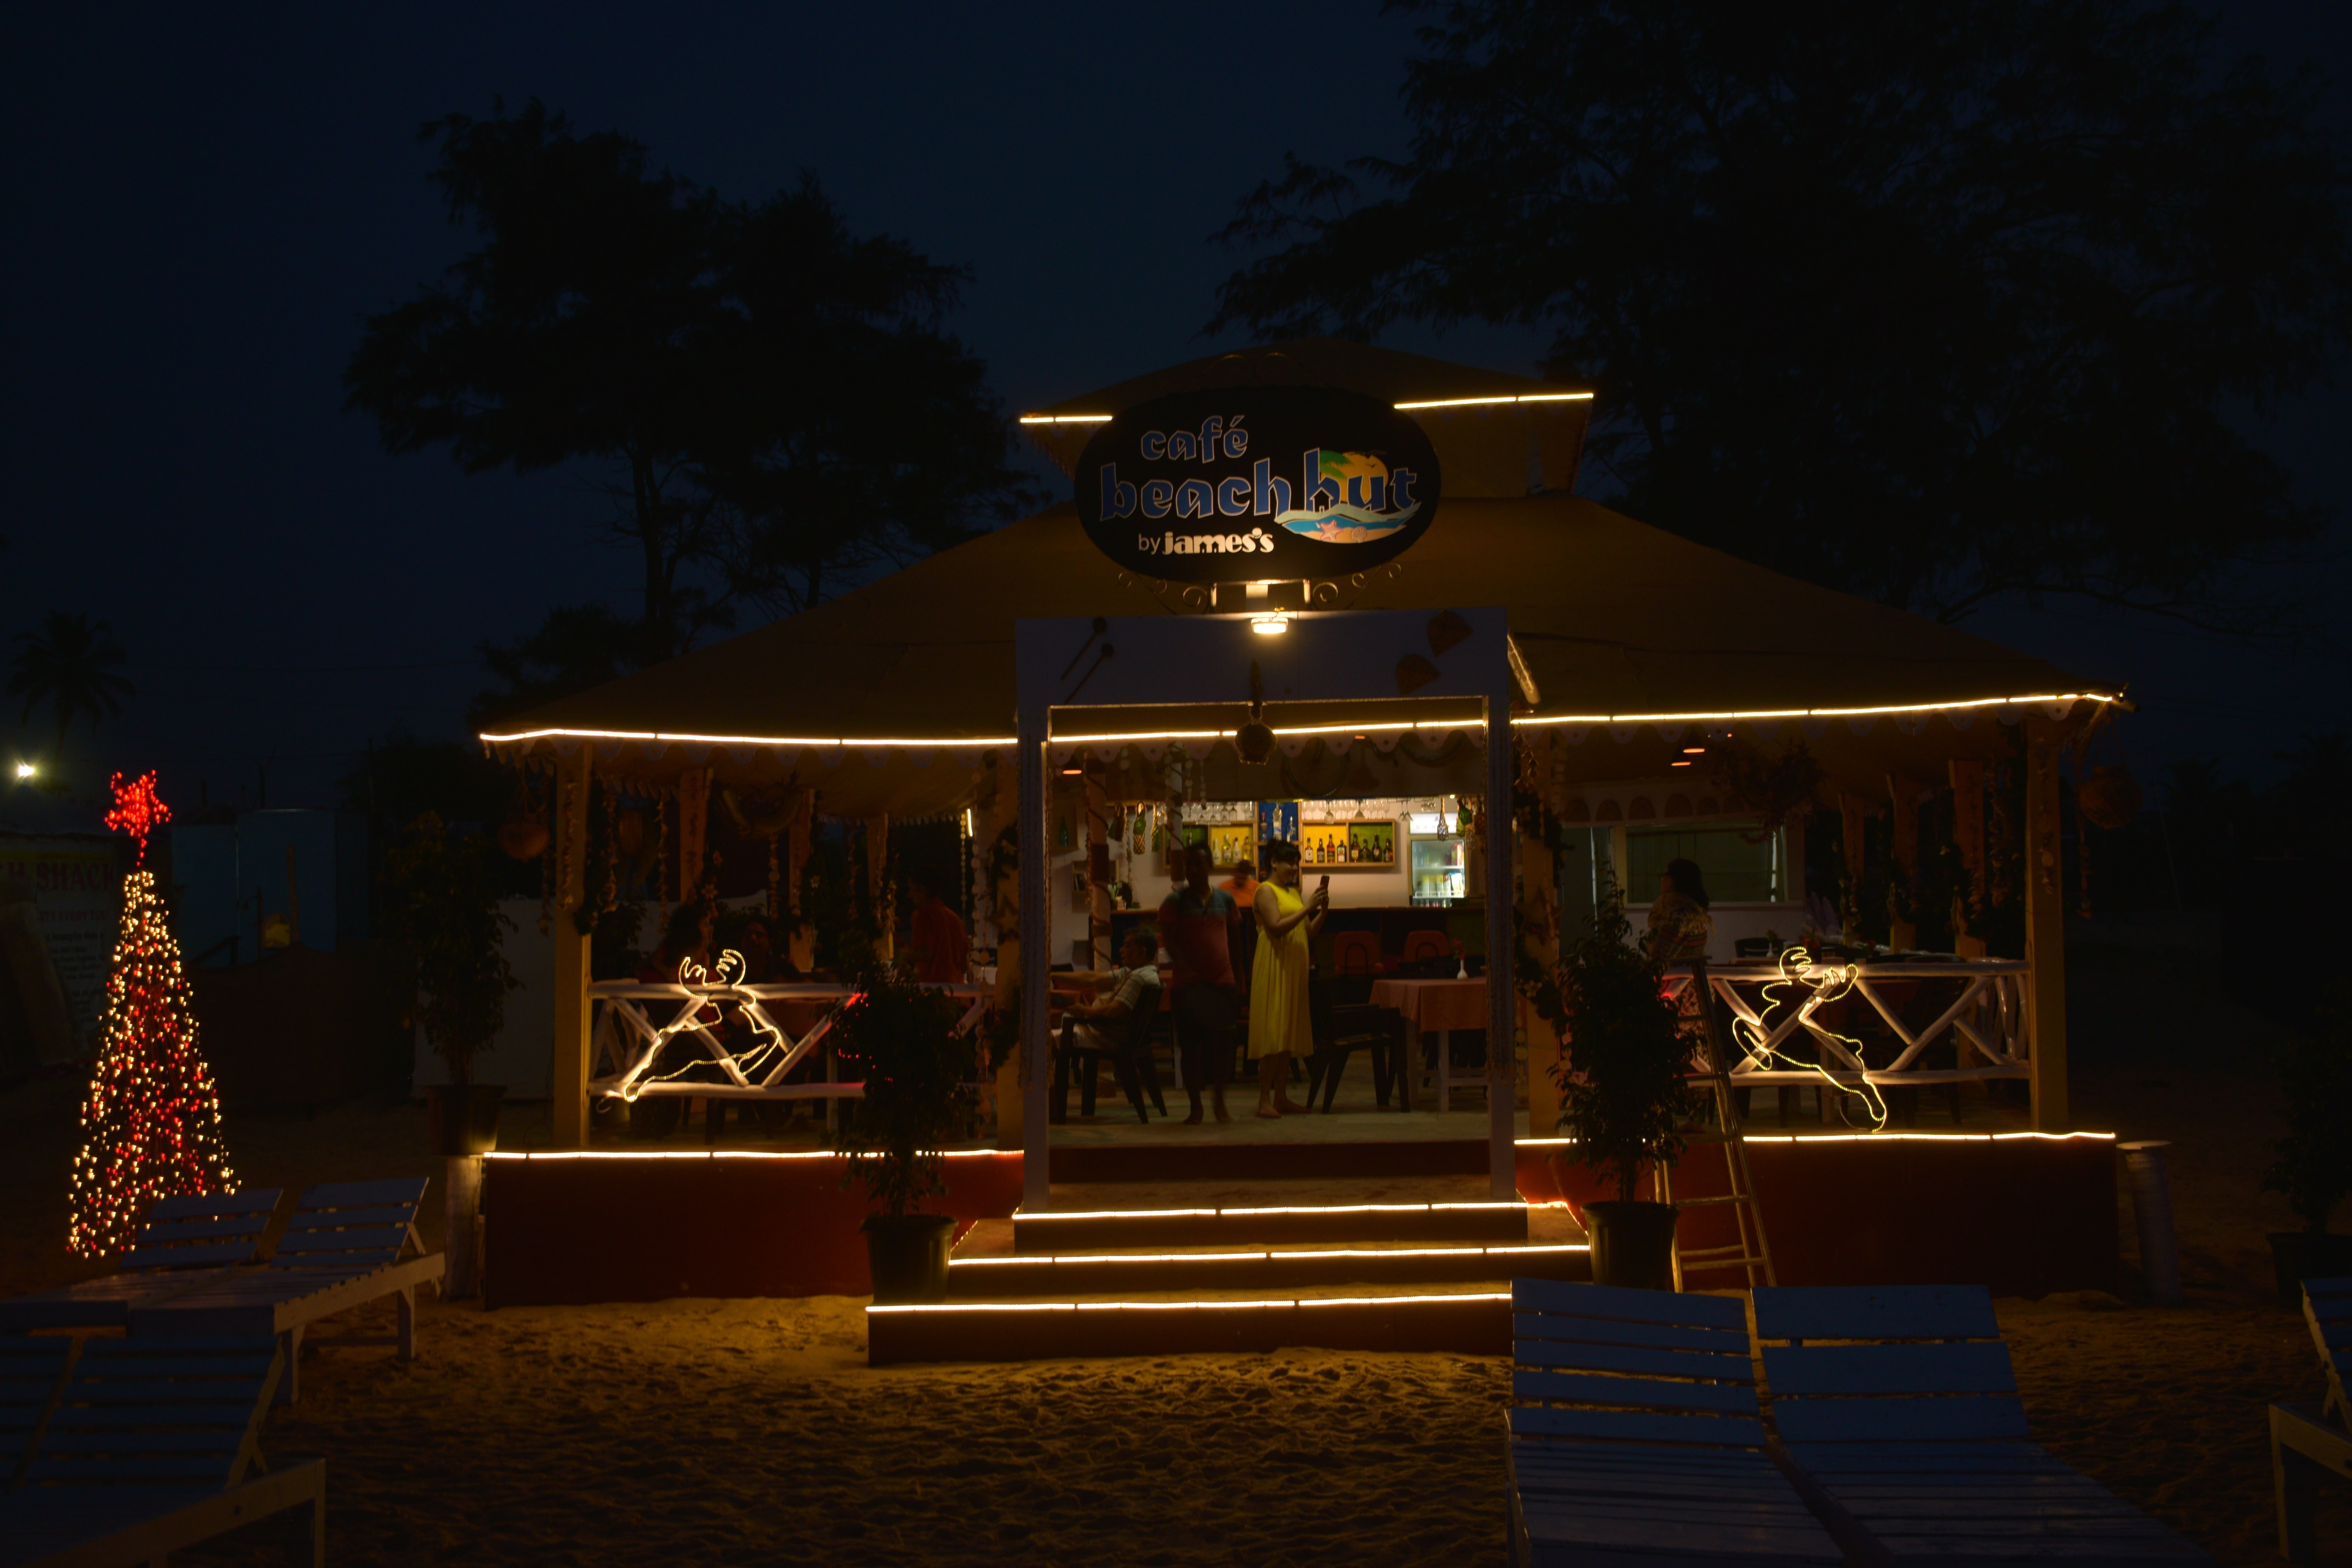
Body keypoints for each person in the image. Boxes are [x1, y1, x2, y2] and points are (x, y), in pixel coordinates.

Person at [1158, 841, 1240, 1123]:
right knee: (1191, 1049)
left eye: (1199, 863)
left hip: (1223, 982)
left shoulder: (1226, 900)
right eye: (1189, 864)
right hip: (1187, 986)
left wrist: (1241, 981)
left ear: (1210, 866)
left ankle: (1220, 1102)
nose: (1193, 869)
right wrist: (1186, 969)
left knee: (1224, 1046)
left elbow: (1237, 943)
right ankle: (1196, 1107)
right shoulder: (1174, 902)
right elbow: (1169, 941)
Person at [1249, 840, 1328, 1118]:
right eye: (1290, 863)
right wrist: (1308, 908)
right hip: (1275, 964)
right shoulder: (1265, 891)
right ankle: (1264, 1100)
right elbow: (1275, 927)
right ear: (1274, 863)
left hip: (1293, 968)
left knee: (1287, 1033)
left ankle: (1281, 1097)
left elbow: (1309, 932)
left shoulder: (1293, 891)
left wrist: (1322, 911)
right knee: (1273, 1032)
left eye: (1297, 864)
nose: (1295, 868)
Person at [904, 867, 971, 984]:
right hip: (959, 990)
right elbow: (964, 964)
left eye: (911, 889)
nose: (909, 895)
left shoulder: (924, 915)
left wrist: (906, 954)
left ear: (923, 891)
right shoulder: (956, 919)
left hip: (933, 990)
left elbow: (924, 954)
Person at [1645, 858, 1714, 963]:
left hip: (1676, 973)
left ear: (1672, 881)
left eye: (1664, 876)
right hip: (1689, 972)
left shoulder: (1678, 915)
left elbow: (1659, 958)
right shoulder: (1694, 910)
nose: (1662, 880)